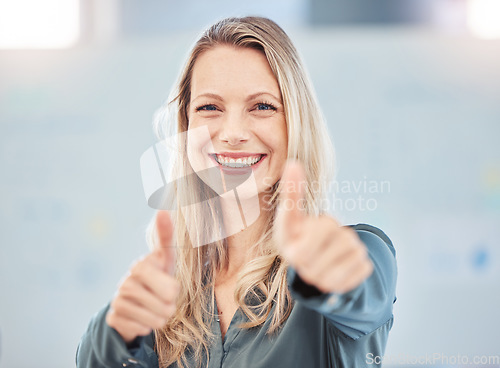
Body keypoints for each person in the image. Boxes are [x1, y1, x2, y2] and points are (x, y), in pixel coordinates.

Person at [76, 16, 397, 368]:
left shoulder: (360, 254)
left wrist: (330, 276)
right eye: (209, 107)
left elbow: (361, 292)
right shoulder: (170, 297)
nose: (232, 133)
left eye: (262, 107)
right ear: (186, 127)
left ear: (295, 123)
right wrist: (116, 332)